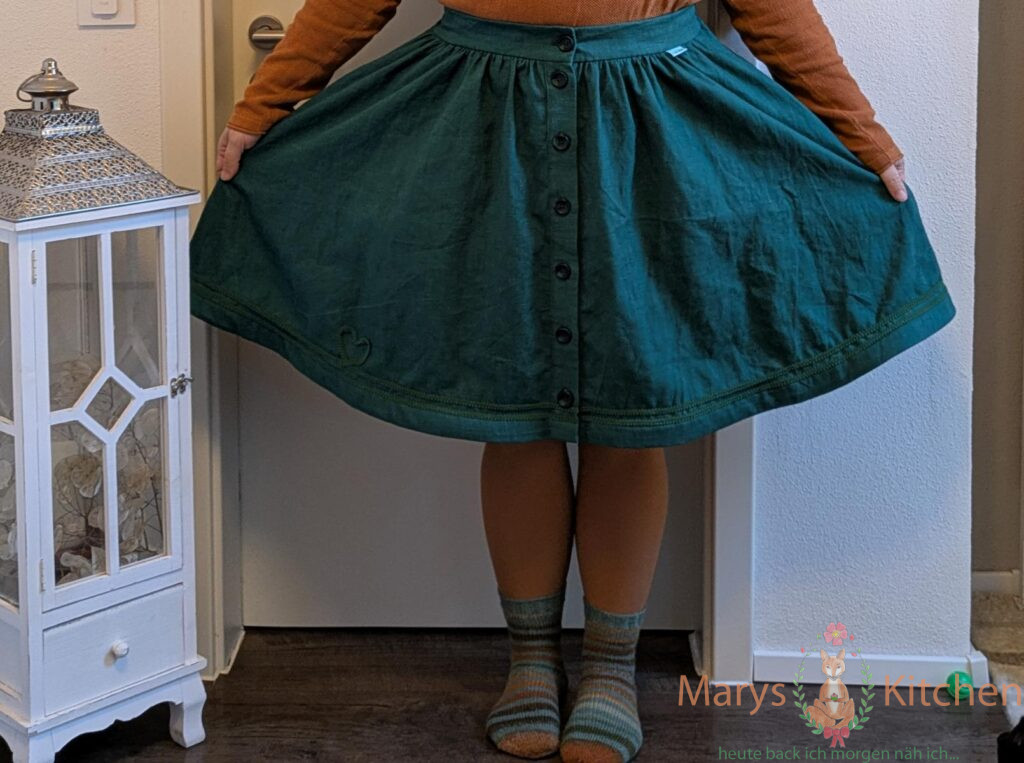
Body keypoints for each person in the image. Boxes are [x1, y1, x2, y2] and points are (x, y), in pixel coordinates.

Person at [189, 1, 957, 761]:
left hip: (653, 134)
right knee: (513, 408)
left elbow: (771, 6)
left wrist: (861, 134)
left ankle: (611, 669)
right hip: (482, 131)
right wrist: (264, 106)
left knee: (632, 410)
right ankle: (530, 660)